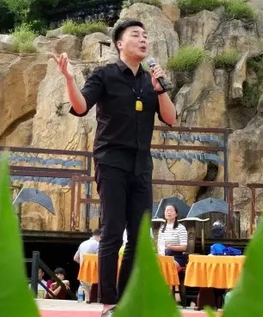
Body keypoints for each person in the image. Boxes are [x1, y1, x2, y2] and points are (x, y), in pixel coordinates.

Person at [53, 19, 177, 316]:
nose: (143, 39)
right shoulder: (105, 75)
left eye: (145, 35)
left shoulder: (150, 81)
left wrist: (161, 90)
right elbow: (81, 107)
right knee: (112, 231)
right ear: (120, 43)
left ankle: (127, 300)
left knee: (139, 235)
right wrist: (69, 79)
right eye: (136, 35)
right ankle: (109, 303)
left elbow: (171, 118)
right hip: (111, 162)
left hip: (141, 165)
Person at [74, 229, 101, 303]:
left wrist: (83, 265)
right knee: (94, 300)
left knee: (87, 299)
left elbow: (75, 258)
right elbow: (99, 259)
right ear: (100, 236)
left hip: (83, 273)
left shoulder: (82, 243)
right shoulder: (98, 244)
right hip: (93, 274)